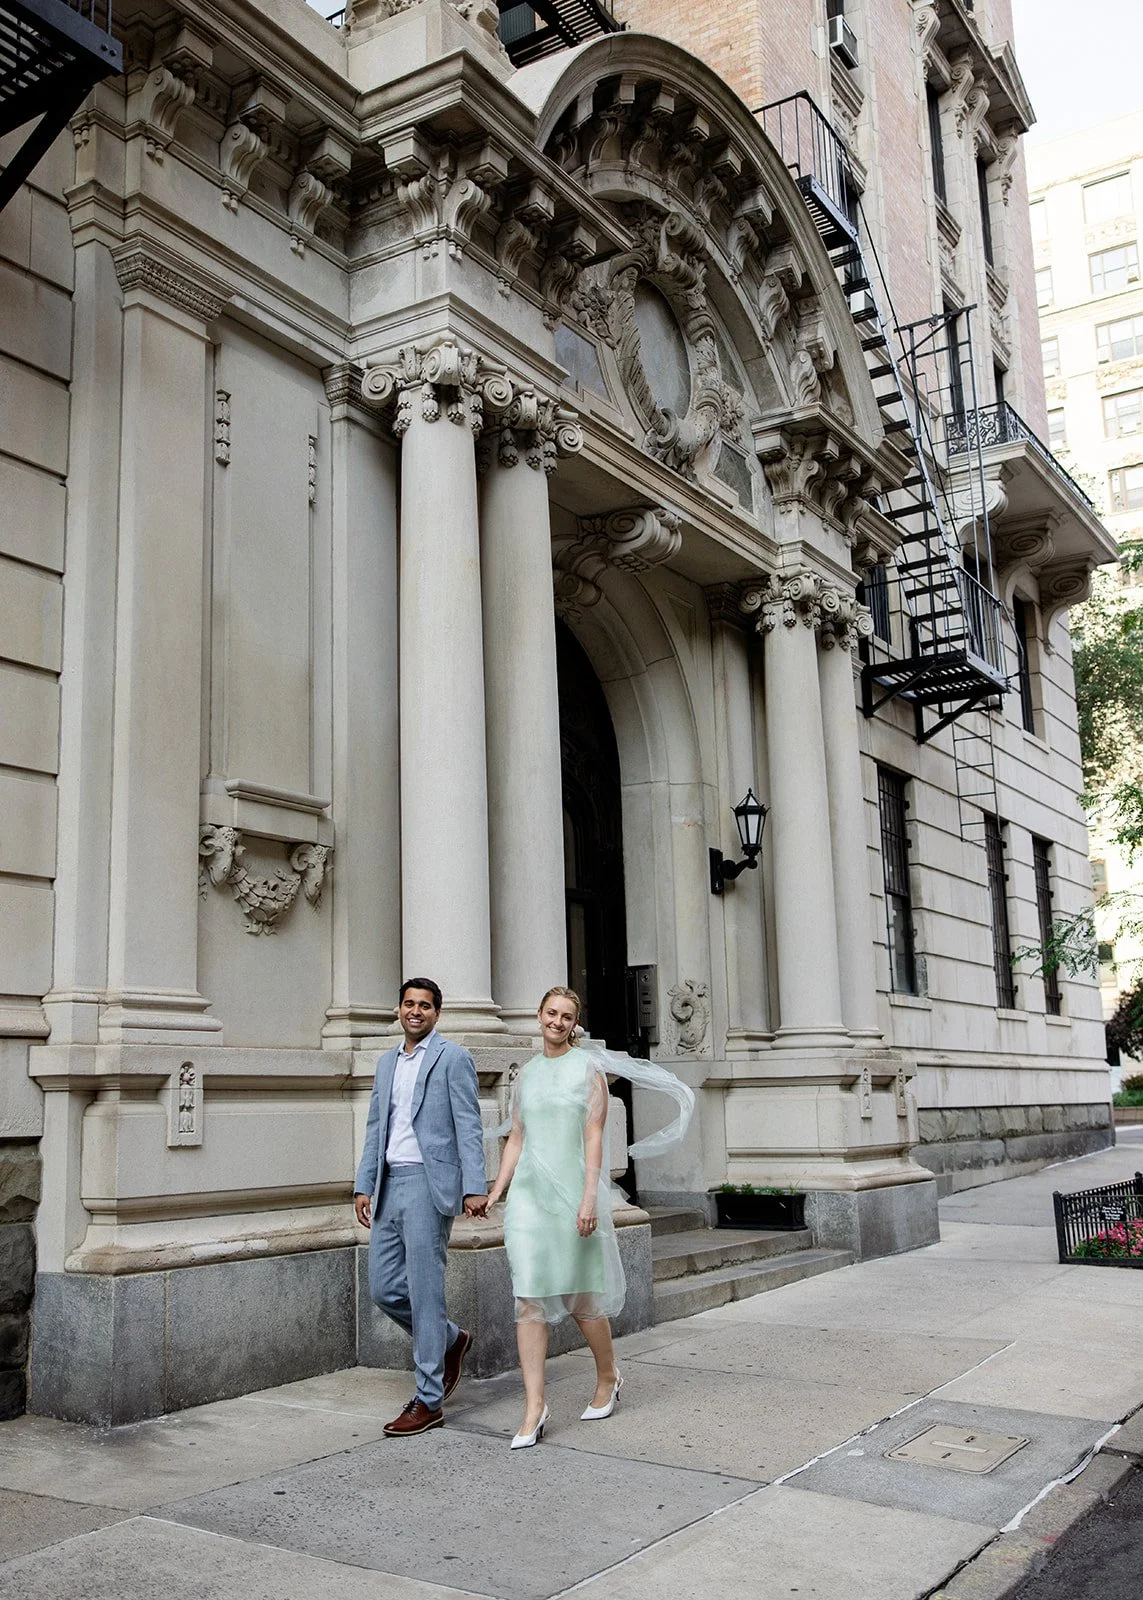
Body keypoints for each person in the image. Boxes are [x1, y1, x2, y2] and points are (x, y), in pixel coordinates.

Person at [477, 985, 693, 1450]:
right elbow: (516, 1135)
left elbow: (594, 1137)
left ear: (575, 1023)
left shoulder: (587, 1069)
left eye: (567, 1016)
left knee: (581, 1301)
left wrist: (589, 1199)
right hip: (530, 1199)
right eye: (551, 1013)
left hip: (573, 1192)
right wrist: (498, 1190)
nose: (557, 1021)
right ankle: (534, 1406)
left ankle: (608, 1375)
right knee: (528, 1299)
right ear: (538, 1015)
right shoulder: (528, 1073)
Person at [353, 978, 488, 1437]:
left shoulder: (453, 1058)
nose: (416, 1012)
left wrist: (474, 1187)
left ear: (437, 1014)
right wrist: (364, 1184)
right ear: (398, 1010)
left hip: (430, 1186)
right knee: (383, 1287)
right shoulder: (387, 1062)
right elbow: (377, 1126)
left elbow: (468, 1125)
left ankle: (428, 1399)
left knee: (426, 1291)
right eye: (409, 1004)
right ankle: (450, 1339)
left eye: (425, 1006)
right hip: (390, 1184)